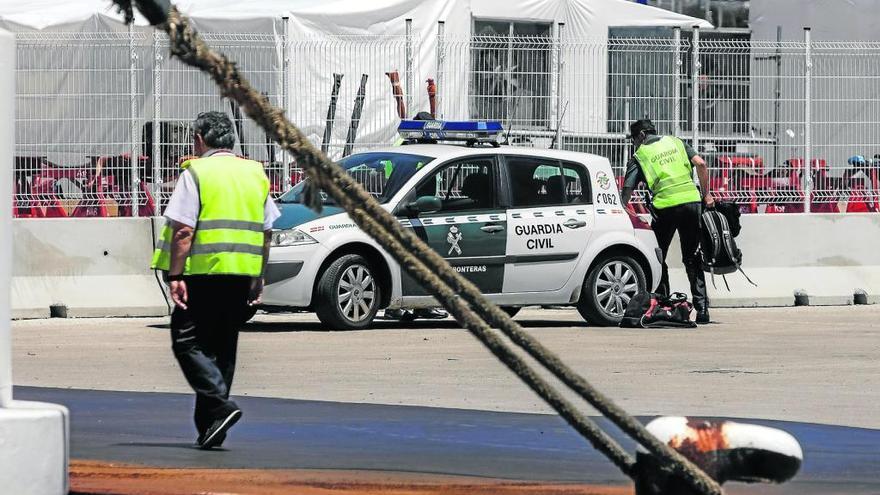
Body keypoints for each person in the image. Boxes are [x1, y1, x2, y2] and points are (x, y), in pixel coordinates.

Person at [151, 111, 280, 449]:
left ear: (199, 139)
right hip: (241, 274)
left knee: (187, 342)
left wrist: (175, 275)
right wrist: (259, 277)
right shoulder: (254, 173)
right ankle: (212, 427)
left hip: (203, 273)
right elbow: (267, 232)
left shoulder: (197, 172)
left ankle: (221, 407)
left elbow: (183, 230)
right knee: (222, 348)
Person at [620, 119, 714, 324]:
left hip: (666, 207)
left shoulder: (641, 155)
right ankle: (703, 308)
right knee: (692, 257)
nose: (634, 144)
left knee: (658, 256)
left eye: (634, 139)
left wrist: (621, 208)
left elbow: (627, 189)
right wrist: (706, 195)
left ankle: (665, 303)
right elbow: (701, 163)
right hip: (692, 203)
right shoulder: (676, 142)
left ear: (642, 136)